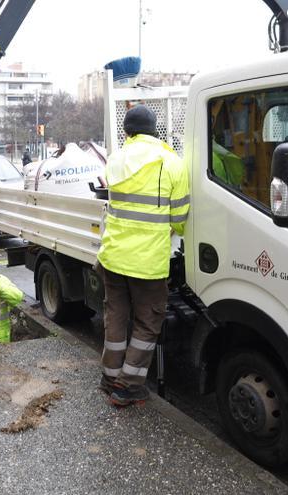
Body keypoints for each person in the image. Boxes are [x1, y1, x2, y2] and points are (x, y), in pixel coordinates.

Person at [96, 105, 189, 407]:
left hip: (112, 257)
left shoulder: (115, 160)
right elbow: (179, 220)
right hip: (147, 263)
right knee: (147, 323)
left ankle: (109, 377)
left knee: (116, 318)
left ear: (127, 132)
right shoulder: (172, 163)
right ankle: (128, 386)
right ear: (155, 130)